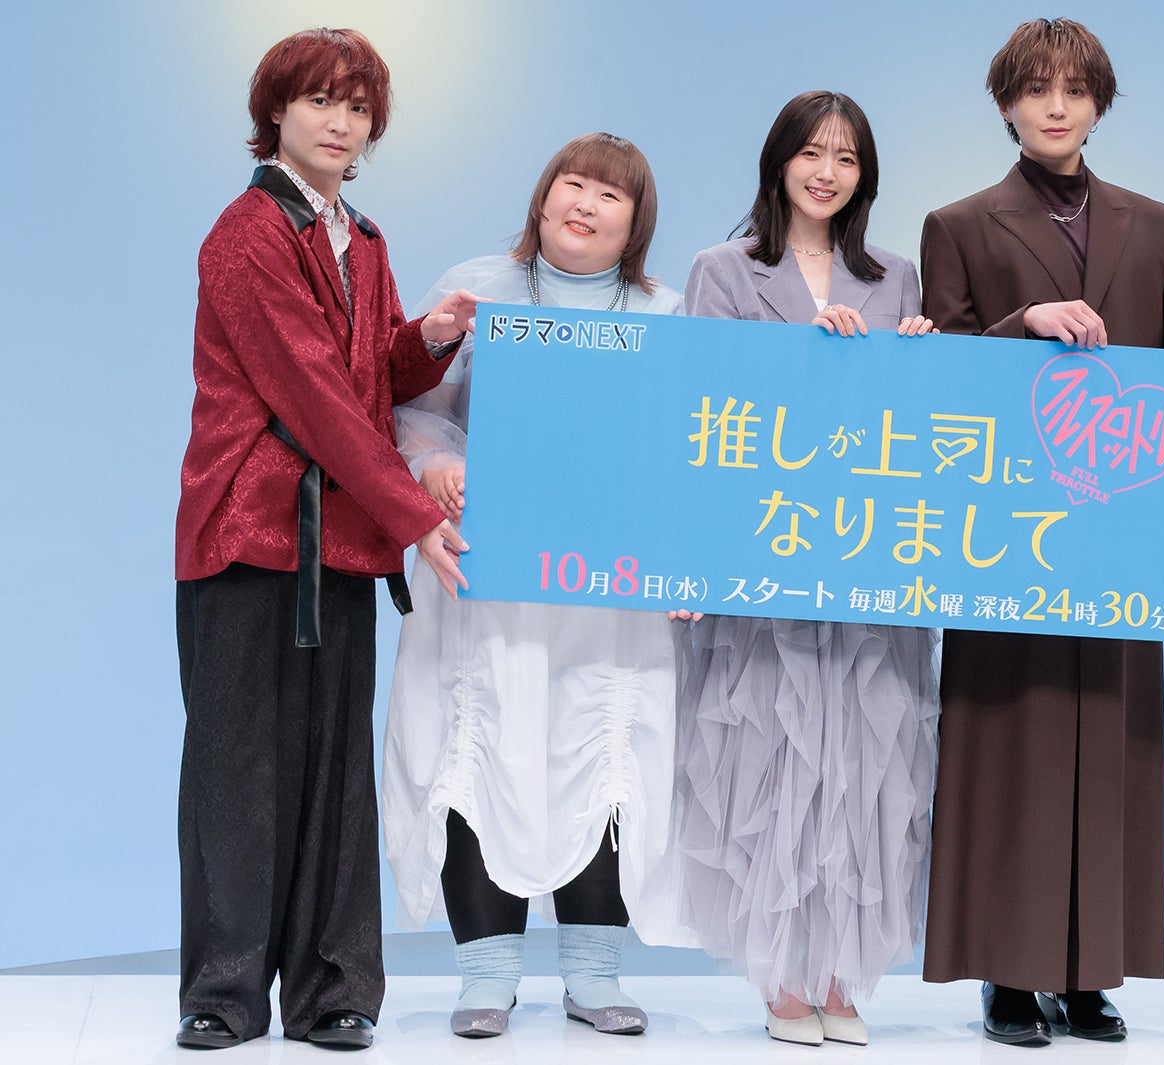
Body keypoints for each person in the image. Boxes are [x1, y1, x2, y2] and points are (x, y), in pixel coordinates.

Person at [174, 27, 476, 1051]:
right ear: (275, 112)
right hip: (247, 533)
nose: (341, 122)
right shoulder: (246, 234)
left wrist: (426, 340)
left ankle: (333, 992)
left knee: (337, 772)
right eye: (319, 101)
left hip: (337, 540)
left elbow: (367, 377)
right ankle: (223, 995)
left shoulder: (364, 237)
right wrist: (419, 517)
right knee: (236, 772)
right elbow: (310, 394)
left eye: (357, 107)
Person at [917, 17, 1164, 1048]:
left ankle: (1086, 976)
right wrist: (1020, 323)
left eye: (1075, 90)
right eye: (1036, 88)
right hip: (1006, 530)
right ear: (1005, 103)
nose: (1055, 106)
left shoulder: (1156, 223)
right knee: (1010, 743)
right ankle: (1007, 970)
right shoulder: (959, 224)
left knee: (1111, 741)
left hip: (1121, 521)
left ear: (1098, 105)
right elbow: (936, 377)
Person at [382, 132, 691, 1040]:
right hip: (490, 574)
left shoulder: (667, 311)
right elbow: (411, 405)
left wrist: (689, 553)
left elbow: (690, 443)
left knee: (605, 752)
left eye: (611, 195)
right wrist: (434, 465)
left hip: (609, 591)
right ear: (543, 194)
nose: (586, 204)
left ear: (636, 222)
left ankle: (594, 976)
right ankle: (486, 979)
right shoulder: (477, 287)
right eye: (574, 183)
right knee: (480, 751)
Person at [672, 90, 939, 1048]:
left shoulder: (895, 276)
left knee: (864, 763)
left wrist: (918, 359)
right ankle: (783, 979)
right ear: (779, 161)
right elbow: (705, 406)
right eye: (812, 153)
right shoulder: (723, 270)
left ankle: (839, 976)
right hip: (766, 551)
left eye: (847, 158)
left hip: (868, 561)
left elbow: (912, 426)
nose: (827, 172)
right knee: (775, 755)